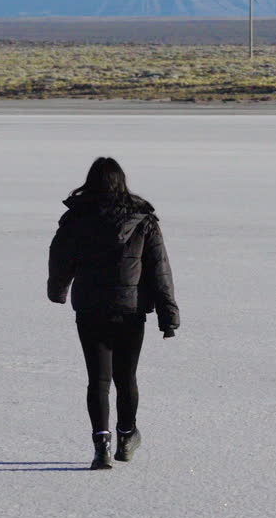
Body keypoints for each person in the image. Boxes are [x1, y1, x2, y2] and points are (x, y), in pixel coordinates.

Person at [47, 157, 179, 470]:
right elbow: (159, 269)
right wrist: (167, 314)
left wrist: (58, 291)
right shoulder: (142, 217)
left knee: (98, 379)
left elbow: (60, 257)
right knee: (126, 377)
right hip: (130, 309)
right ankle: (126, 435)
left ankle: (101, 446)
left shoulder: (77, 216)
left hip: (90, 307)